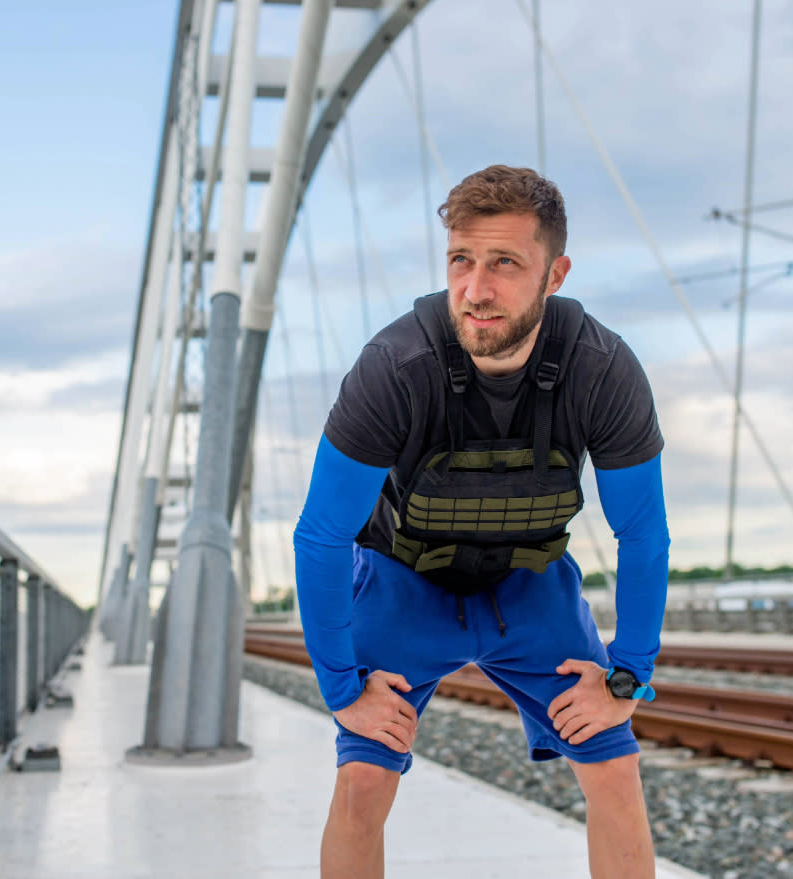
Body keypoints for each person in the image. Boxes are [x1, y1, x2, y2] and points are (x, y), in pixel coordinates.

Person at [292, 164, 669, 879]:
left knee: (616, 771)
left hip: (528, 590)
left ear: (554, 274)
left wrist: (628, 678)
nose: (475, 288)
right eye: (461, 260)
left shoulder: (602, 368)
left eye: (504, 262)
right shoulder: (394, 366)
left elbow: (643, 535)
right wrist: (342, 691)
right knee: (363, 780)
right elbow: (321, 534)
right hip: (407, 583)